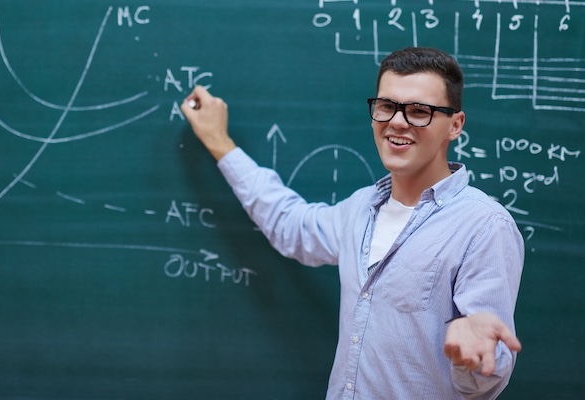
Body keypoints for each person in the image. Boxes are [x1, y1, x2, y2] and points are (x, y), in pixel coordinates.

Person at [181, 47, 524, 399]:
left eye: (420, 111)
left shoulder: (484, 226)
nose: (398, 122)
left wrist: (474, 353)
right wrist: (218, 141)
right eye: (387, 106)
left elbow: (484, 378)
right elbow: (290, 225)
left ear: (455, 125)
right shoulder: (361, 208)